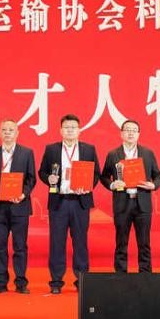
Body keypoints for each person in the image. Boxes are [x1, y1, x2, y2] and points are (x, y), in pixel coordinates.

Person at [39, 114, 100, 295]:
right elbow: (42, 172)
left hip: (80, 202)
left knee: (80, 242)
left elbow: (96, 173)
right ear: (61, 130)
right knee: (57, 242)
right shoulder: (51, 149)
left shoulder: (89, 149)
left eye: (73, 127)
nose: (70, 130)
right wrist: (48, 179)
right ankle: (56, 281)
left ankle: (81, 280)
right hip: (59, 201)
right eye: (66, 127)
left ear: (79, 130)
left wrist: (87, 186)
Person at [100, 119, 160, 273]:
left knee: (144, 242)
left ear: (138, 134)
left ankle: (145, 273)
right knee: (121, 242)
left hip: (142, 202)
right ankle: (121, 274)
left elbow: (158, 176)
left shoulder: (147, 153)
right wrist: (112, 185)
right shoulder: (113, 154)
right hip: (122, 202)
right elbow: (104, 176)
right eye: (127, 130)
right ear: (121, 133)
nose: (130, 133)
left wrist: (153, 185)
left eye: (134, 130)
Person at [0, 120, 37, 294]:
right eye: (4, 130)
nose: (7, 132)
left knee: (20, 246)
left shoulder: (27, 153)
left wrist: (23, 194)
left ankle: (21, 283)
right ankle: (0, 283)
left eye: (11, 130)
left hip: (19, 206)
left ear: (17, 133)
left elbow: (31, 178)